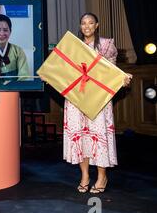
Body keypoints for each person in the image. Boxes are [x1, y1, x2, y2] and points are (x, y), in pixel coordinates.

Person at [41, 12, 132, 194]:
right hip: (76, 99)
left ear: (97, 25)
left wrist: (122, 79)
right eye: (83, 23)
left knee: (98, 137)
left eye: (91, 23)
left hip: (98, 100)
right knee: (81, 137)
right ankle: (84, 176)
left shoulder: (106, 45)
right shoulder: (73, 47)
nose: (87, 26)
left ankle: (102, 176)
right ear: (80, 26)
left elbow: (112, 72)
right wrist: (50, 76)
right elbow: (62, 71)